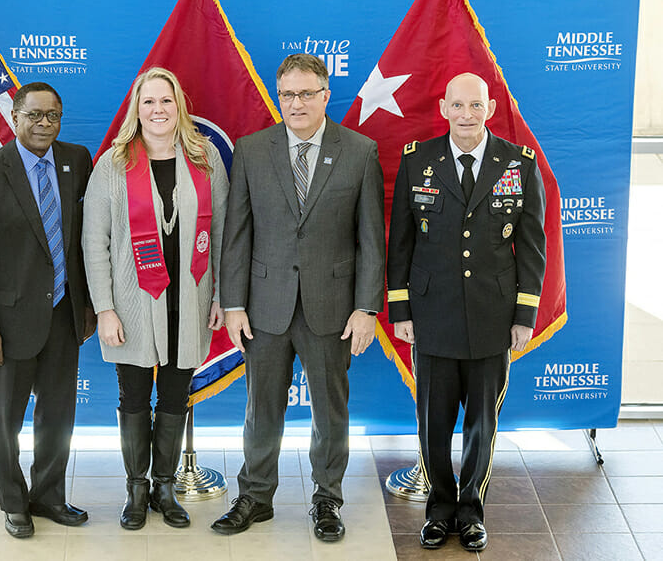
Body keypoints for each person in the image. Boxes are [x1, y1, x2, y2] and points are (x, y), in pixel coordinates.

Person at [213, 53, 385, 542]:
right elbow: (237, 234)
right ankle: (256, 495)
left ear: (326, 95)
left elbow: (371, 237)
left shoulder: (359, 150)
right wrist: (233, 303)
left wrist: (367, 307)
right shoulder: (251, 149)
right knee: (261, 408)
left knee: (330, 412)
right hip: (265, 307)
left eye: (306, 93)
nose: (296, 103)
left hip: (333, 309)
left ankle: (327, 499)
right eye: (287, 94)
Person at [387, 73, 546, 552]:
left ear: (490, 108)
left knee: (483, 424)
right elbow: (402, 242)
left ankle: (472, 510)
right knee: (432, 424)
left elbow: (533, 245)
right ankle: (439, 510)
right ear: (443, 108)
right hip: (432, 316)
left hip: (492, 317)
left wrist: (524, 315)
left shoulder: (518, 164)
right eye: (457, 105)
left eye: (475, 106)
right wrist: (400, 308)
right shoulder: (419, 163)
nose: (466, 115)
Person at [82, 67, 228, 530]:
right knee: (134, 396)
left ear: (178, 106)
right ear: (137, 109)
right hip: (131, 301)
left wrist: (221, 296)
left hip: (189, 300)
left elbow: (224, 236)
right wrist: (105, 308)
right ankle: (136, 490)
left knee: (174, 394)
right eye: (149, 102)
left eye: (166, 101)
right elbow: (94, 241)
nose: (158, 110)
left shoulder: (205, 160)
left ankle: (164, 488)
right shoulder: (113, 163)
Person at [0, 82, 96, 538]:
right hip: (7, 325)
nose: (44, 124)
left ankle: (49, 496)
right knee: (5, 421)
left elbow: (84, 243)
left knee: (58, 415)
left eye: (52, 115)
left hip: (63, 315)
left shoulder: (78, 161)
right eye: (34, 115)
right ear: (14, 118)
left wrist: (89, 307)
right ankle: (14, 503)